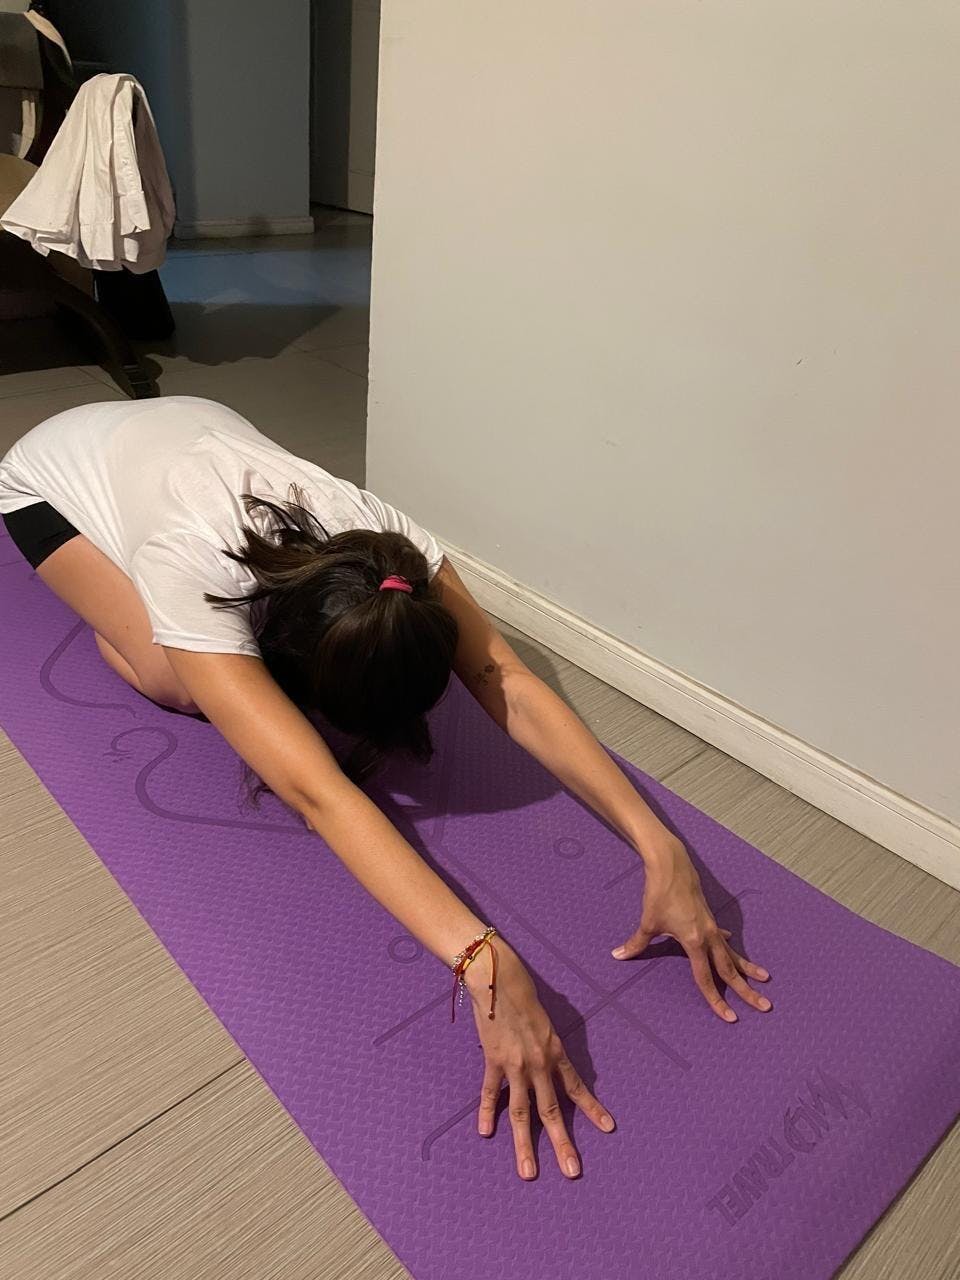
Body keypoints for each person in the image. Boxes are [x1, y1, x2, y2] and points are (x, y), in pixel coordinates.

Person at [0, 394, 771, 1181]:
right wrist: (482, 962)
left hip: (188, 426)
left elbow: (503, 676)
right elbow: (319, 793)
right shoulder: (188, 567)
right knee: (177, 681)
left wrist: (658, 843)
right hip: (48, 473)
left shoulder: (392, 547)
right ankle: (136, 616)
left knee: (245, 680)